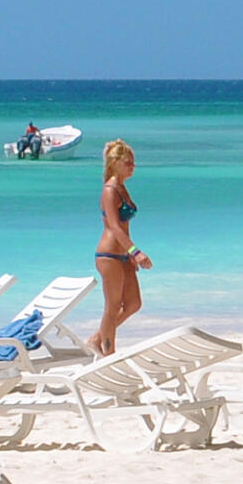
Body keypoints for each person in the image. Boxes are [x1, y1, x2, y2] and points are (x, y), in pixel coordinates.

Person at [91, 141, 150, 356]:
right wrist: (136, 251)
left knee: (133, 303)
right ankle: (109, 353)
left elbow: (125, 227)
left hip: (122, 255)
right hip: (108, 256)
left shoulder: (122, 188)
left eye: (133, 163)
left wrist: (129, 253)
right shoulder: (110, 190)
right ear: (114, 163)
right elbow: (115, 227)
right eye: (128, 163)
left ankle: (98, 338)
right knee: (113, 306)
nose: (132, 166)